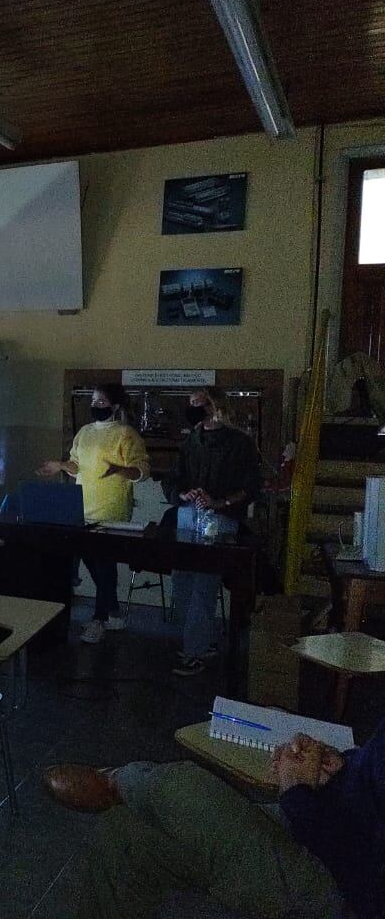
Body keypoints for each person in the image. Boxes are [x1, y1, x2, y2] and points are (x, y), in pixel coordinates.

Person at [39, 722, 380, 918]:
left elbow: (365, 874)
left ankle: (116, 781)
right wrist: (341, 767)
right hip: (332, 823)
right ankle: (121, 787)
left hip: (343, 887)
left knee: (183, 790)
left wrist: (297, 791)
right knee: (126, 828)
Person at [38, 385, 150, 644]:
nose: (97, 406)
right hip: (84, 507)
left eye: (102, 401)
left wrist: (122, 470)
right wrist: (60, 466)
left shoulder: (126, 434)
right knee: (92, 562)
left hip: (112, 510)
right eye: (93, 401)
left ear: (115, 406)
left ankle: (99, 619)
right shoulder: (84, 432)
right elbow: (76, 466)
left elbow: (141, 469)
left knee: (104, 563)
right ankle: (113, 612)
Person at [162, 386, 261, 676]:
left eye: (198, 403)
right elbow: (174, 478)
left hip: (219, 521)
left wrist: (220, 502)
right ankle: (198, 642)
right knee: (182, 582)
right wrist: (182, 494)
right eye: (189, 403)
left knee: (203, 587)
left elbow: (251, 486)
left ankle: (194, 651)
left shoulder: (240, 443)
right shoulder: (192, 439)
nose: (192, 408)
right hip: (187, 517)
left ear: (214, 406)